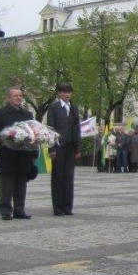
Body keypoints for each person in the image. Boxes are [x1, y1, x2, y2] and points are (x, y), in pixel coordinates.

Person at [0, 87, 37, 220]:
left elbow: (33, 134)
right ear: (8, 98)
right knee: (7, 184)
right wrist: (4, 139)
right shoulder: (0, 113)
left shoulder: (27, 115)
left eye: (20, 95)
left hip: (23, 154)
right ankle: (6, 210)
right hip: (7, 154)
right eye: (15, 96)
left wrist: (34, 153)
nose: (18, 98)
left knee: (21, 184)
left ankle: (20, 210)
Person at [47, 83, 82, 216]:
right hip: (59, 146)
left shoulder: (74, 107)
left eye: (69, 92)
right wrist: (52, 149)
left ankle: (68, 207)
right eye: (65, 92)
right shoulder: (54, 107)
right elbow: (50, 129)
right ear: (60, 93)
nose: (67, 94)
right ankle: (58, 207)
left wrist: (78, 148)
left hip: (71, 145)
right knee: (58, 176)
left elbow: (77, 128)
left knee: (69, 176)